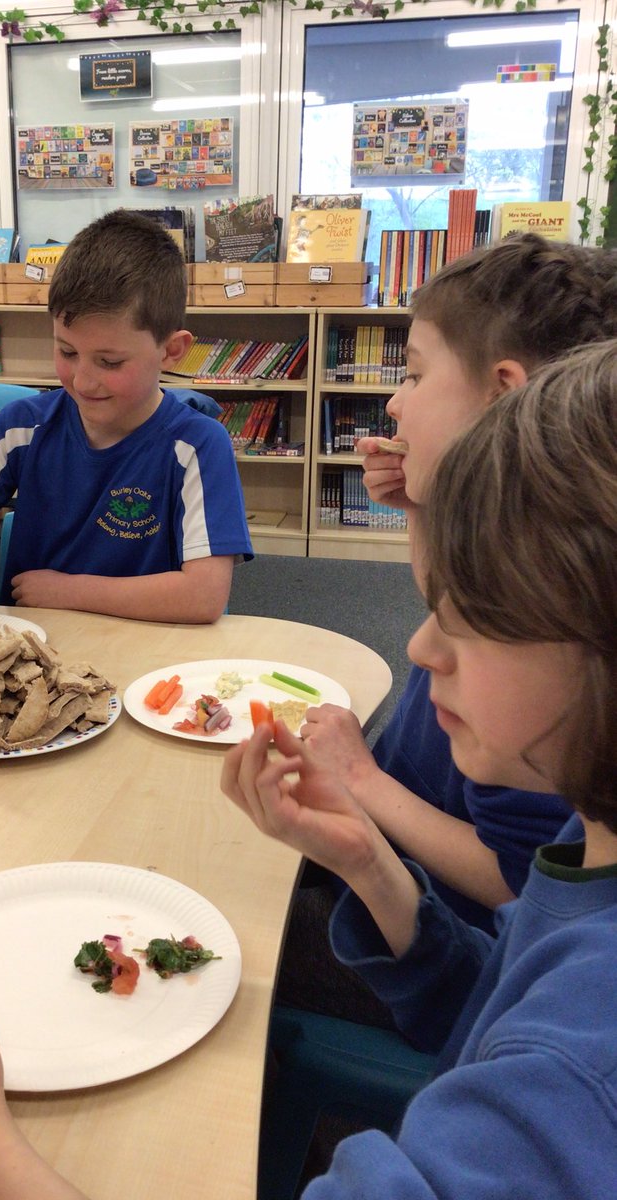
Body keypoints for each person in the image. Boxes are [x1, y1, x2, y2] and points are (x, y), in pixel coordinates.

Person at [0, 342, 617, 1199]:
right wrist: (371, 866)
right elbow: (484, 1008)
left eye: (474, 617)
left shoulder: (579, 1069)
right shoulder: (587, 836)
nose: (419, 647)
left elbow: (532, 1048)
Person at [287, 235, 617, 973]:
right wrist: (418, 507)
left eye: (414, 373)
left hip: (438, 927)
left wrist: (363, 784)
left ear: (502, 389)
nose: (396, 400)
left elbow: (516, 880)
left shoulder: (544, 674)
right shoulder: (545, 553)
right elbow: (457, 605)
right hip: (396, 857)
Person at [0, 211, 252, 652]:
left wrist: (69, 591)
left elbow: (203, 596)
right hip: (31, 656)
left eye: (109, 362)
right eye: (66, 351)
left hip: (147, 654)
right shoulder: (22, 427)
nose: (82, 380)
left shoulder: (198, 444)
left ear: (171, 351)